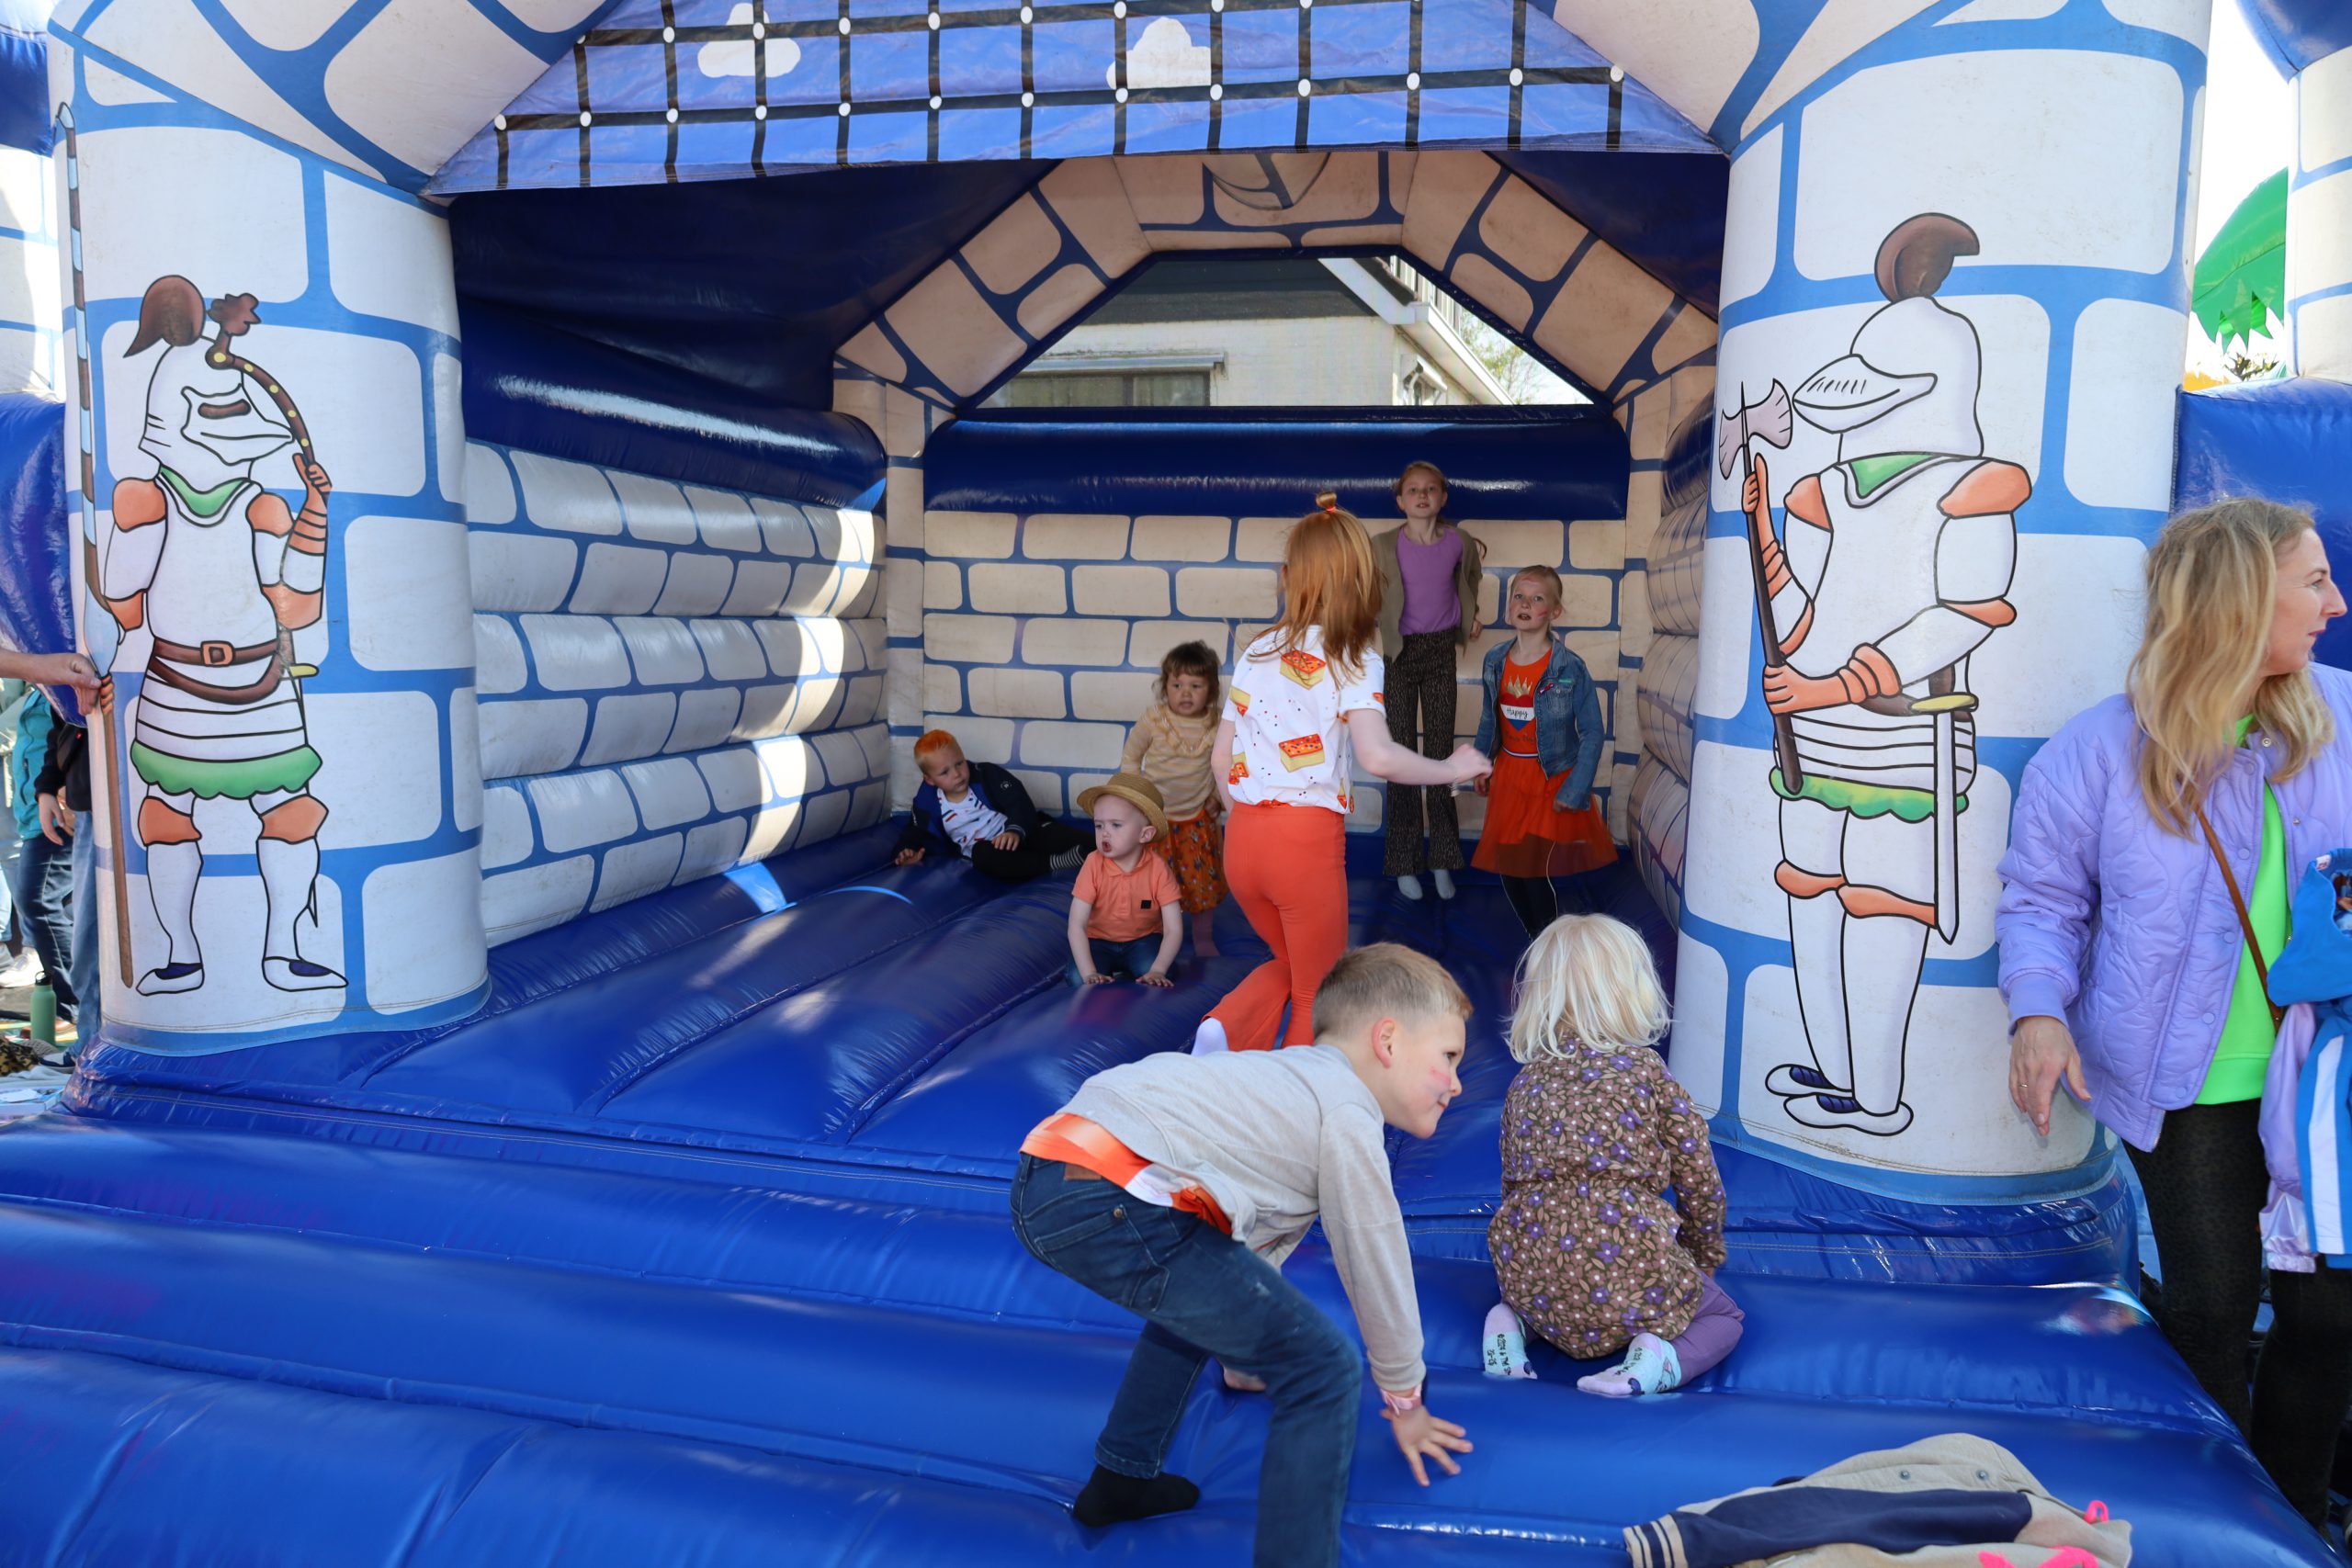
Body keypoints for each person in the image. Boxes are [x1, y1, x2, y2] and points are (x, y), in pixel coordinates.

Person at [1997, 498, 2352, 1531]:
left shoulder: (2339, 719)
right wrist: (2037, 1013)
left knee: (2329, 1316)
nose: (2335, 603)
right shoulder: (2099, 751)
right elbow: (2041, 900)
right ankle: (2218, 1524)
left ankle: (2289, 1520)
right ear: (2241, 601)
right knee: (2208, 1311)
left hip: (2319, 1080)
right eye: (2314, 581)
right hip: (2184, 1090)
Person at [1012, 942, 1476, 1568]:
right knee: (1325, 1371)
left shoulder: (1283, 1084)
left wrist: (1244, 1357)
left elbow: (1241, 1251)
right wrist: (1404, 1396)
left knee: (1185, 1293)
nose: (1457, 1082)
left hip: (1052, 1166)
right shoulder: (1346, 1109)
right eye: (1448, 1057)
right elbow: (1373, 1247)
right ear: (1387, 1040)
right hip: (1116, 1187)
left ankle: (1120, 1479)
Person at [1198, 496, 1491, 1054]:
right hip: (1302, 842)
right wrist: (1449, 767)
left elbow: (1220, 758)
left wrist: (1249, 820)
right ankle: (1294, 1095)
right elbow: (1378, 756)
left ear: (1288, 577)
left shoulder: (1257, 651)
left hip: (1243, 840)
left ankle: (1224, 1029)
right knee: (1319, 990)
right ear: (1363, 580)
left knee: (1290, 963)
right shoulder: (1354, 654)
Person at [1478, 913, 1740, 1396]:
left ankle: (1510, 1322)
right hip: (1628, 1258)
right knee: (1724, 1318)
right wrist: (1702, 1253)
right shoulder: (1646, 1071)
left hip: (1534, 1264)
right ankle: (1656, 1359)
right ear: (1635, 992)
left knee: (1543, 1284)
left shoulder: (1524, 1083)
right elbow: (1698, 1175)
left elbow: (1512, 1185)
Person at [1471, 566, 1616, 936]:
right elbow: (1489, 719)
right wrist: (1480, 764)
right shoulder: (1495, 660)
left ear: (1554, 611)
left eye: (1537, 598)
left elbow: (1593, 732)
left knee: (1533, 870)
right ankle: (1536, 939)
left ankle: (1549, 943)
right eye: (1519, 596)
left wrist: (1577, 788)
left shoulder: (1569, 667)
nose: (1525, 604)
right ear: (1508, 607)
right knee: (1510, 870)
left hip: (1549, 779)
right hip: (1510, 778)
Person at [1374, 460, 1487, 902]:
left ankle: (1442, 858)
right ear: (1400, 501)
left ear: (1443, 498)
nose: (1422, 496)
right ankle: (1404, 861)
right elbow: (1367, 588)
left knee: (1442, 757)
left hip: (1440, 652)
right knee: (1399, 755)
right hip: (1398, 654)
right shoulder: (1382, 544)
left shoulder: (1459, 542)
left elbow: (1470, 578)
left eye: (1431, 489)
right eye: (1413, 490)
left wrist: (1470, 615)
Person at [1119, 640, 1227, 956]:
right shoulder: (1155, 720)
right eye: (1177, 685)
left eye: (1196, 686)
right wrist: (1137, 796)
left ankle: (1203, 936)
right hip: (1156, 819)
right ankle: (1151, 933)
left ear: (1211, 690)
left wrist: (1217, 798)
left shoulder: (1218, 723)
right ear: (1164, 686)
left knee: (1201, 882)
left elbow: (1228, 763)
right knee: (1151, 883)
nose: (1185, 693)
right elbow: (1131, 757)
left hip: (1197, 819)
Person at [890, 728, 1091, 881]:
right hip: (991, 850)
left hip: (1019, 833)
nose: (957, 774)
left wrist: (1014, 830)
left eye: (959, 763)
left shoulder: (985, 775)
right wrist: (906, 850)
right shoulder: (928, 804)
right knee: (983, 857)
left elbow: (1017, 800)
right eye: (945, 772)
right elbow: (914, 832)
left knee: (1062, 836)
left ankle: (1097, 850)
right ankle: (1056, 862)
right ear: (930, 780)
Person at [1067, 773, 1183, 987]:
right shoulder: (1093, 864)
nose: (1105, 834)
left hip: (1142, 940)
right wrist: (1089, 973)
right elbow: (1076, 924)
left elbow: (1173, 929)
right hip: (1098, 941)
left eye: (1116, 825)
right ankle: (1107, 969)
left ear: (1145, 835)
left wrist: (1158, 969)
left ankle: (1138, 968)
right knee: (1076, 978)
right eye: (1099, 826)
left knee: (1160, 971)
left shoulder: (1158, 869)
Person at [35, 713, 97, 1055]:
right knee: (88, 937)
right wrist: (48, 786)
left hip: (142, 793)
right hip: (86, 801)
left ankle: (91, 1039)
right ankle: (90, 1039)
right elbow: (62, 722)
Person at [6, 689, 72, 1016]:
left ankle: (73, 1007)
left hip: (57, 818)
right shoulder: (39, 691)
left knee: (39, 902)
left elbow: (69, 741)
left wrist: (58, 790)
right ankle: (75, 1007)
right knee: (48, 906)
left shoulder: (57, 687)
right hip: (36, 816)